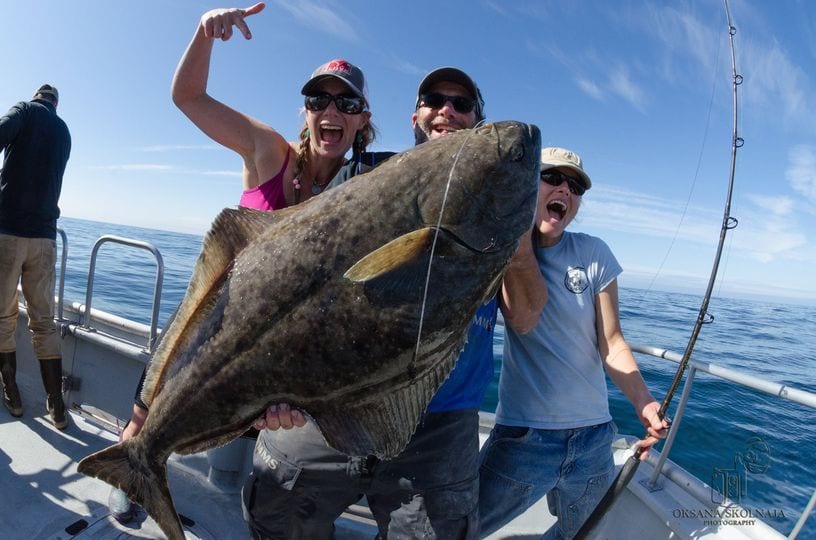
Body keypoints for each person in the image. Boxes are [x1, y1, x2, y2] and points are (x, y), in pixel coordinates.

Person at [107, 2, 384, 524]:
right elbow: (187, 97)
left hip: (276, 341)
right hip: (218, 308)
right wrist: (204, 32)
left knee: (251, 427)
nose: (331, 109)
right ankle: (132, 458)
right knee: (151, 402)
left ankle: (219, 488)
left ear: (362, 120)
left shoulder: (363, 190)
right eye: (318, 98)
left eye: (346, 102)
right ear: (305, 111)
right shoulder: (268, 151)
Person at [242, 66, 546, 540]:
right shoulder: (361, 173)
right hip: (335, 398)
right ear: (414, 116)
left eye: (461, 104)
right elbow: (302, 282)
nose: (447, 110)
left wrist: (518, 235)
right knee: (276, 507)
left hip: (440, 423)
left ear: (478, 123)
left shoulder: (501, 205)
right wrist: (274, 385)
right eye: (433, 100)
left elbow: (525, 319)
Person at [478, 147, 670, 539]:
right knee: (458, 528)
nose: (565, 189)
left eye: (576, 185)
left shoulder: (593, 252)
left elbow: (612, 341)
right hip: (523, 437)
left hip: (595, 438)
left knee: (578, 535)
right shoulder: (498, 251)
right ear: (527, 186)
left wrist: (644, 401)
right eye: (552, 178)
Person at [0, 84, 71, 430]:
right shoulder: (64, 131)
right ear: (55, 103)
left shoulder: (25, 111)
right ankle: (57, 406)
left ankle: (12, 393)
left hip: (8, 234)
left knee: (2, 317)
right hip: (44, 239)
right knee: (44, 321)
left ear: (37, 96)